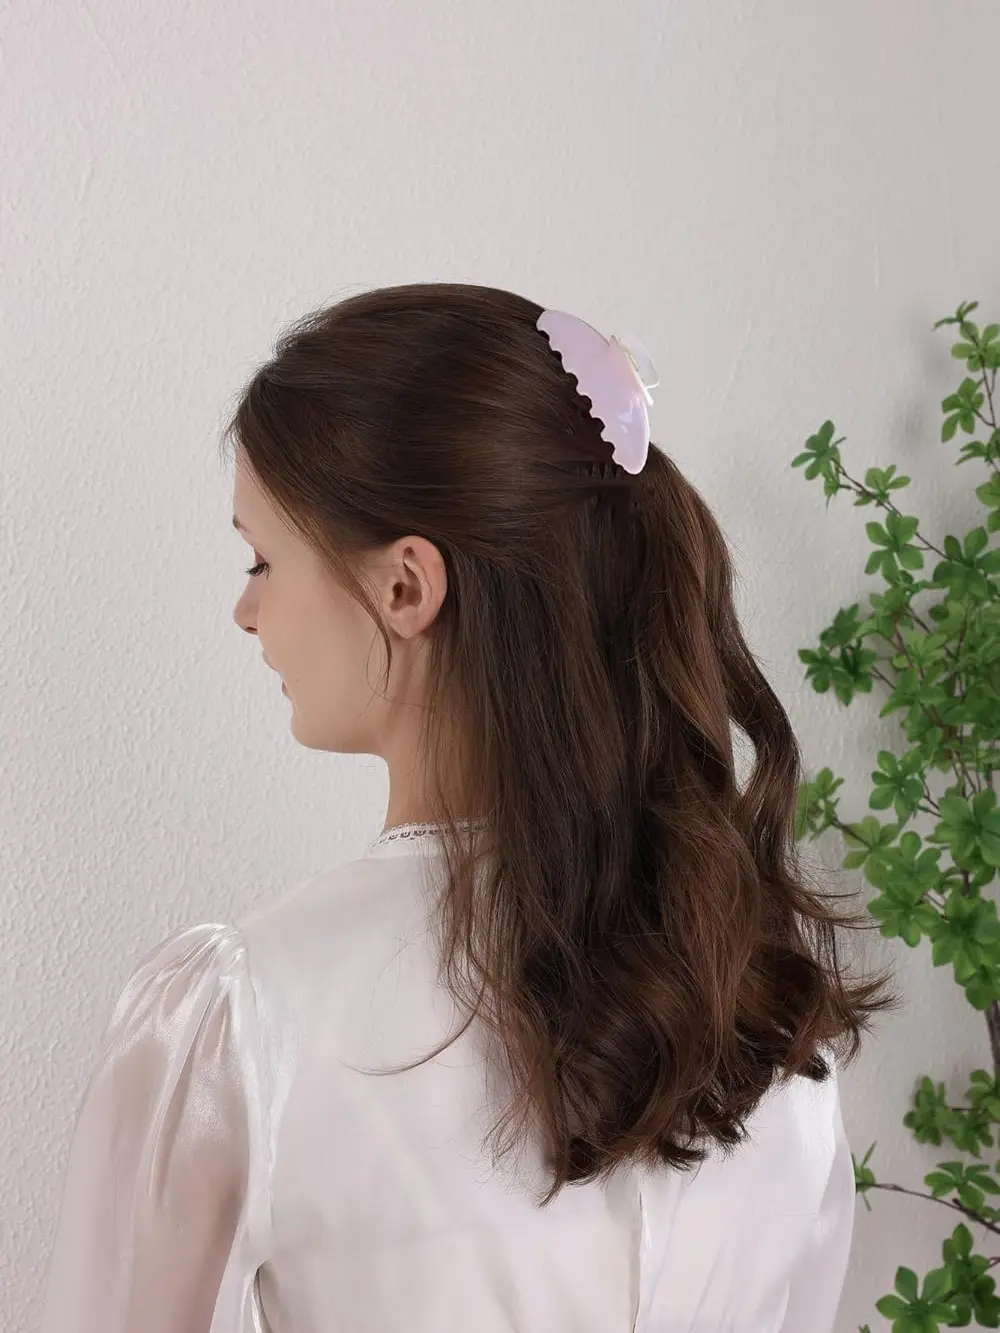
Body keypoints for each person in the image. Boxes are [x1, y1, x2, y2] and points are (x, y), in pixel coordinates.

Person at [39, 281, 896, 1333]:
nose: (246, 608)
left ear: (405, 586)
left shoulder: (247, 1015)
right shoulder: (763, 1016)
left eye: (263, 557)